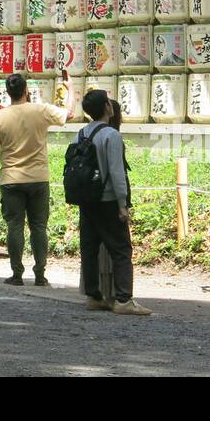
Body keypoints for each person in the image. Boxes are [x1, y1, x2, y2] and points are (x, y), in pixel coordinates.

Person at [0, 72, 70, 287]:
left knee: (14, 226)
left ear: (7, 93)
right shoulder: (40, 110)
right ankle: (40, 274)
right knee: (39, 226)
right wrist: (70, 87)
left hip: (11, 179)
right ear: (26, 90)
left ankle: (17, 274)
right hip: (39, 178)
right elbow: (69, 113)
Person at [75, 89, 152, 316]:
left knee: (89, 248)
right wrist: (122, 204)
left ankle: (93, 296)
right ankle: (123, 299)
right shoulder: (111, 135)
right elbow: (117, 173)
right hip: (108, 199)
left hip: (87, 198)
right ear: (107, 107)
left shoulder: (81, 133)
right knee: (121, 249)